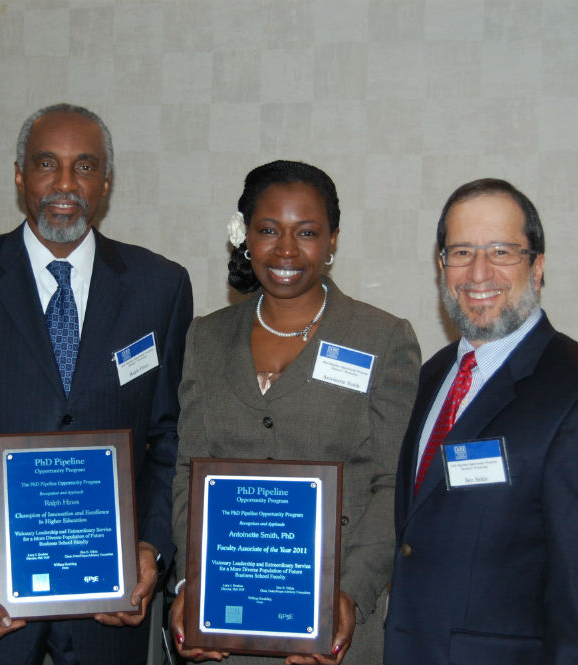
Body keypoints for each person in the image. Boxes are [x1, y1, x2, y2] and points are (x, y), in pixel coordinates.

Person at [0, 103, 193, 665]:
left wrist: (150, 549)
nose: (65, 184)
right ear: (19, 175)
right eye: (46, 164)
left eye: (84, 167)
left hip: (110, 601)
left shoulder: (160, 287)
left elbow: (170, 437)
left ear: (106, 182)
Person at [383, 178, 578, 665]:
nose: (478, 272)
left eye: (502, 251)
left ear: (538, 266)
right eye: (460, 252)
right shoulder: (433, 375)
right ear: (441, 268)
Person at [169, 160, 421, 665]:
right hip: (223, 624)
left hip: (337, 625)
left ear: (332, 241)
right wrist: (192, 583)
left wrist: (350, 593)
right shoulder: (206, 337)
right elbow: (186, 473)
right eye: (268, 230)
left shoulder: (383, 339)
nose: (286, 250)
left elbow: (395, 482)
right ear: (244, 235)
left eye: (306, 232)